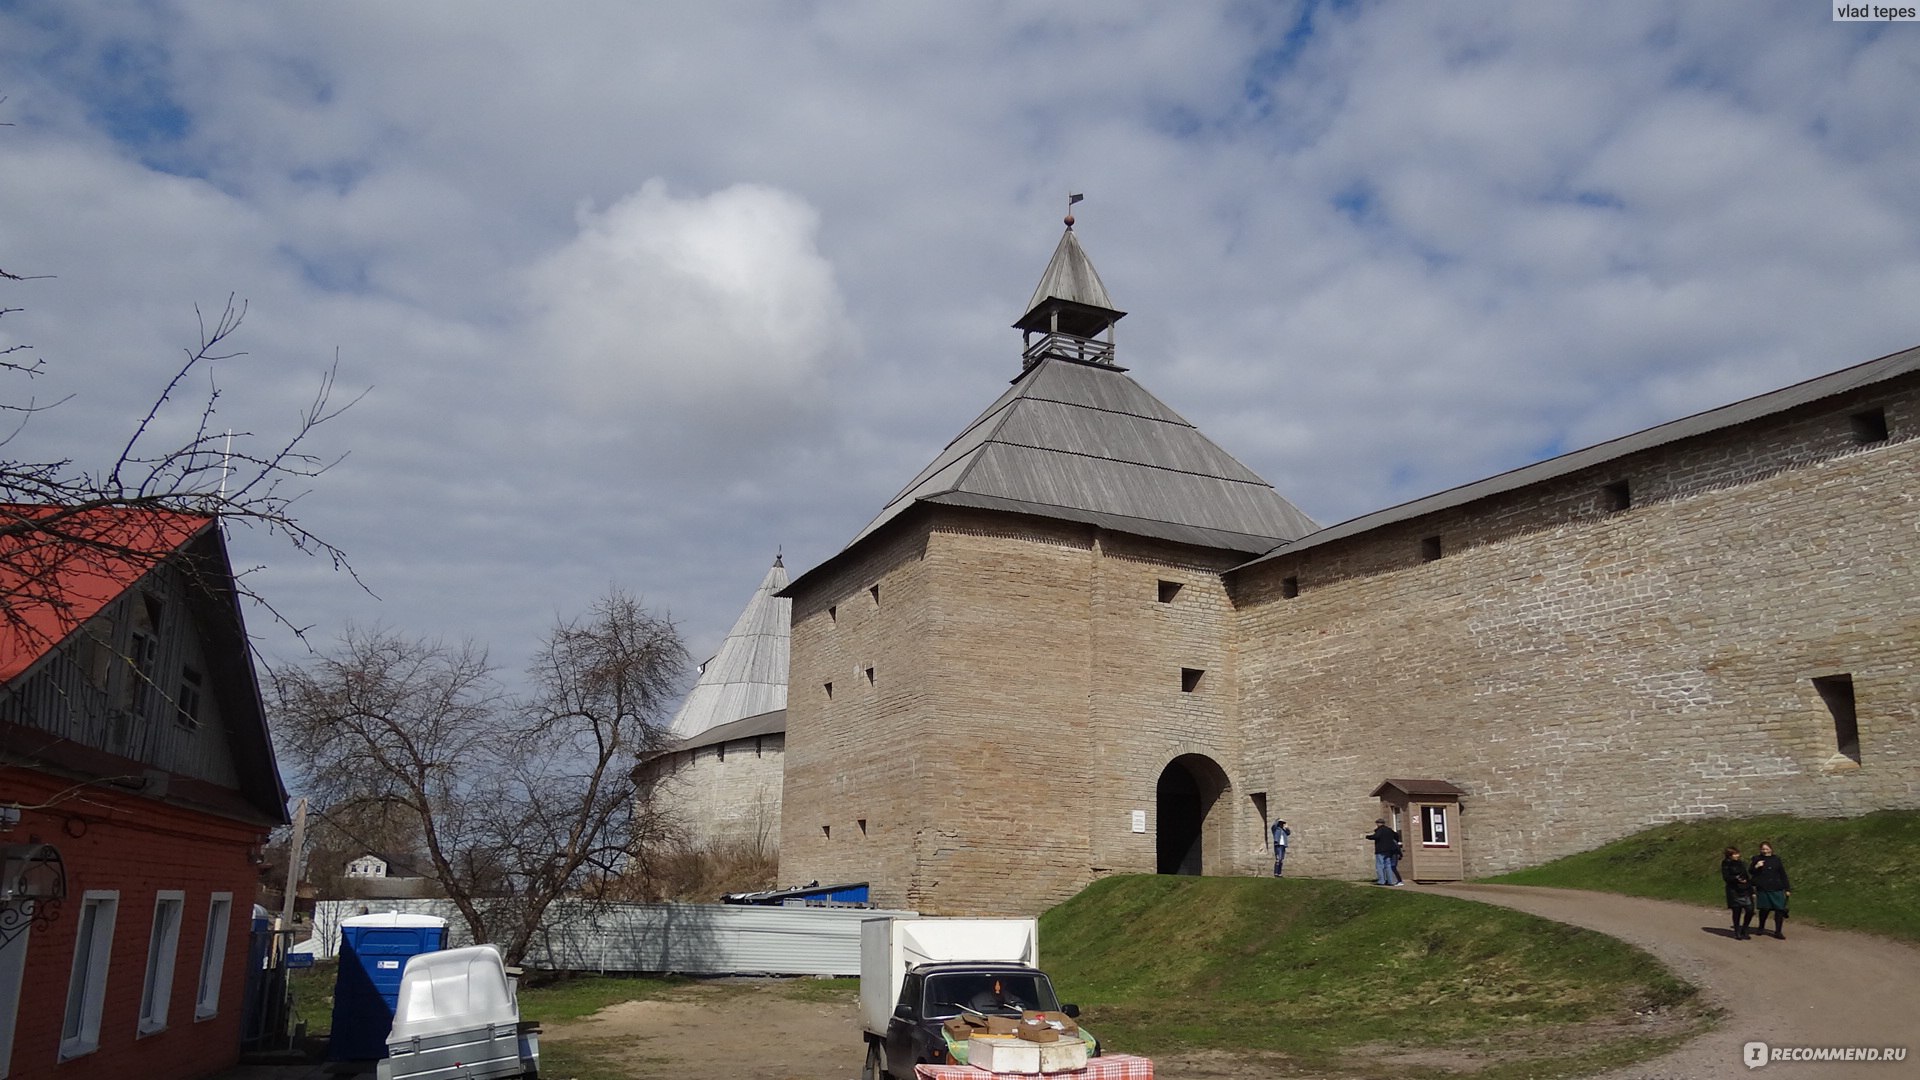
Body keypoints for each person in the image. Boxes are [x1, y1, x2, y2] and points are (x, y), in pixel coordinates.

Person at [1749, 841, 1792, 939]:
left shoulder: (1776, 859)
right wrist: (1756, 866)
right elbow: (1751, 872)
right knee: (1764, 909)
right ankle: (1761, 927)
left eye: (1766, 849)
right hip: (1763, 888)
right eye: (1763, 849)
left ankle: (1778, 931)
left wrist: (1787, 888)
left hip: (1776, 887)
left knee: (1779, 910)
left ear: (1771, 849)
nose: (1765, 851)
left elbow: (1782, 874)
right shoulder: (1757, 859)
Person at [1721, 845, 1756, 940]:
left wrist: (1751, 890)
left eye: (1737, 853)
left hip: (1745, 889)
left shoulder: (1741, 863)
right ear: (1729, 855)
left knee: (1750, 910)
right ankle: (1737, 931)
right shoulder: (1726, 864)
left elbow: (1747, 876)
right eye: (1735, 854)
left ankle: (1745, 929)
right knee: (1737, 911)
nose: (1737, 855)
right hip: (1734, 890)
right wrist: (1736, 879)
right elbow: (1726, 877)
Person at [1366, 819, 1404, 886]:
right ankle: (1390, 881)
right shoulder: (1389, 830)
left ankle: (1381, 881)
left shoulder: (1380, 830)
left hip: (1380, 850)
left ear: (1378, 823)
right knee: (1388, 865)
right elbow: (1396, 835)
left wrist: (1368, 837)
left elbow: (1376, 836)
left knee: (1380, 865)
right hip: (1389, 850)